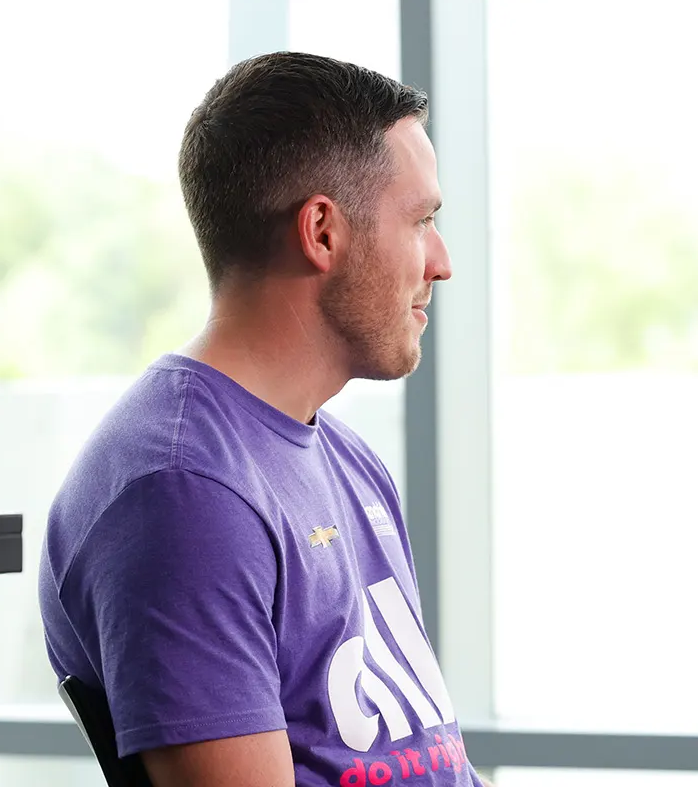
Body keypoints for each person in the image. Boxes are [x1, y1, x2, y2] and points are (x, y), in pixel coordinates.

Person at [38, 52, 491, 787]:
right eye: (422, 220)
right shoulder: (183, 493)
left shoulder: (346, 460)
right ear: (321, 231)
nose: (441, 261)